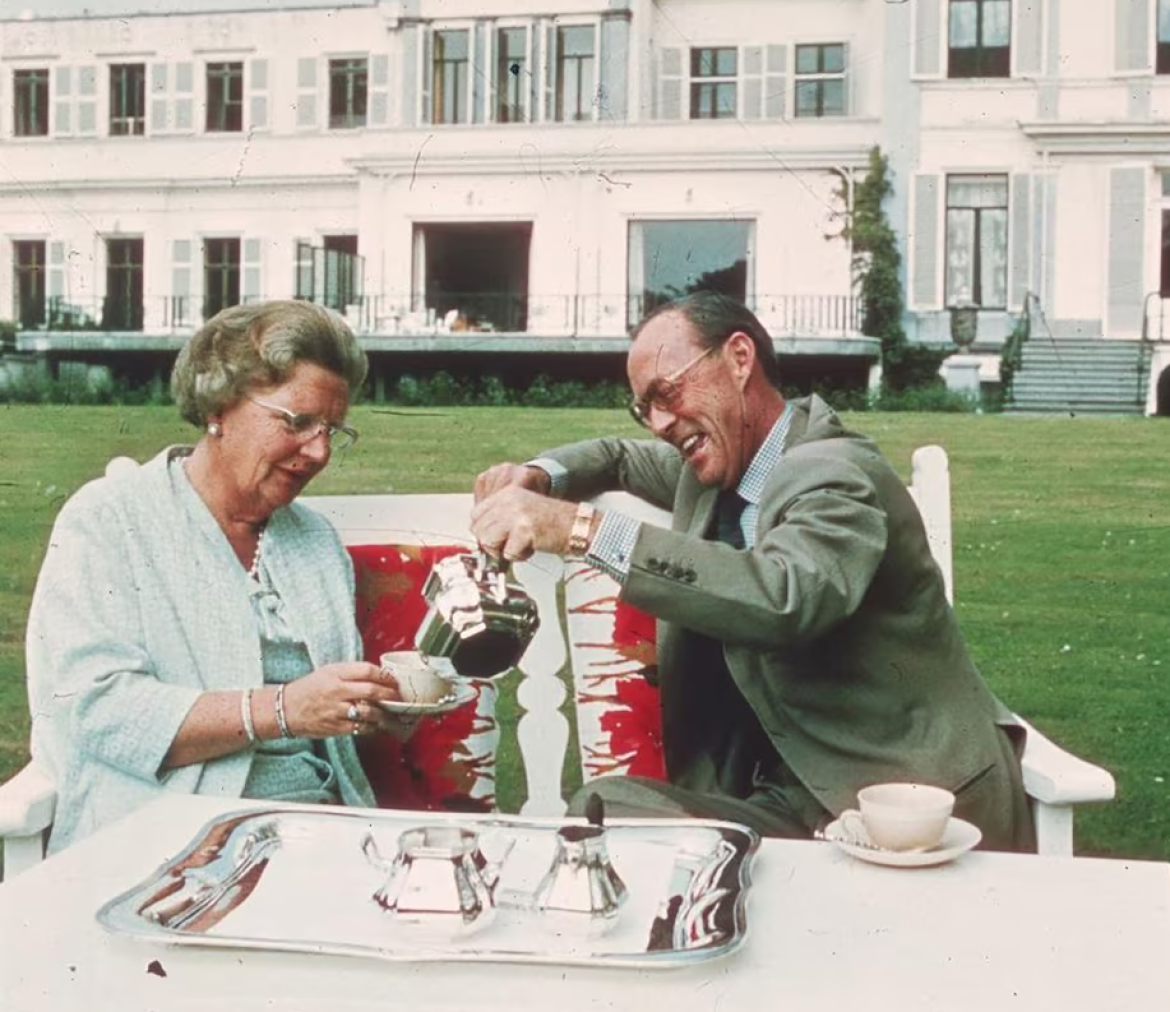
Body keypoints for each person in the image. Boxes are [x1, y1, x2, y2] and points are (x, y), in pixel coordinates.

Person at [471, 291, 1036, 851]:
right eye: (645, 407)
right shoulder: (716, 470)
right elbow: (617, 458)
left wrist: (579, 530)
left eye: (667, 392)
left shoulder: (835, 472)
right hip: (792, 802)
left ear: (740, 359)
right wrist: (539, 475)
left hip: (910, 803)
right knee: (604, 807)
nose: (660, 423)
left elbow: (786, 597)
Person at [26, 300, 404, 853]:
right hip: (161, 835)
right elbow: (98, 709)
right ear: (220, 407)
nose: (319, 451)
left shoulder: (314, 541)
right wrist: (283, 710)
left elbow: (328, 728)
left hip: (318, 832)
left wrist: (372, 706)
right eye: (297, 422)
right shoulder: (110, 519)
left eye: (333, 430)